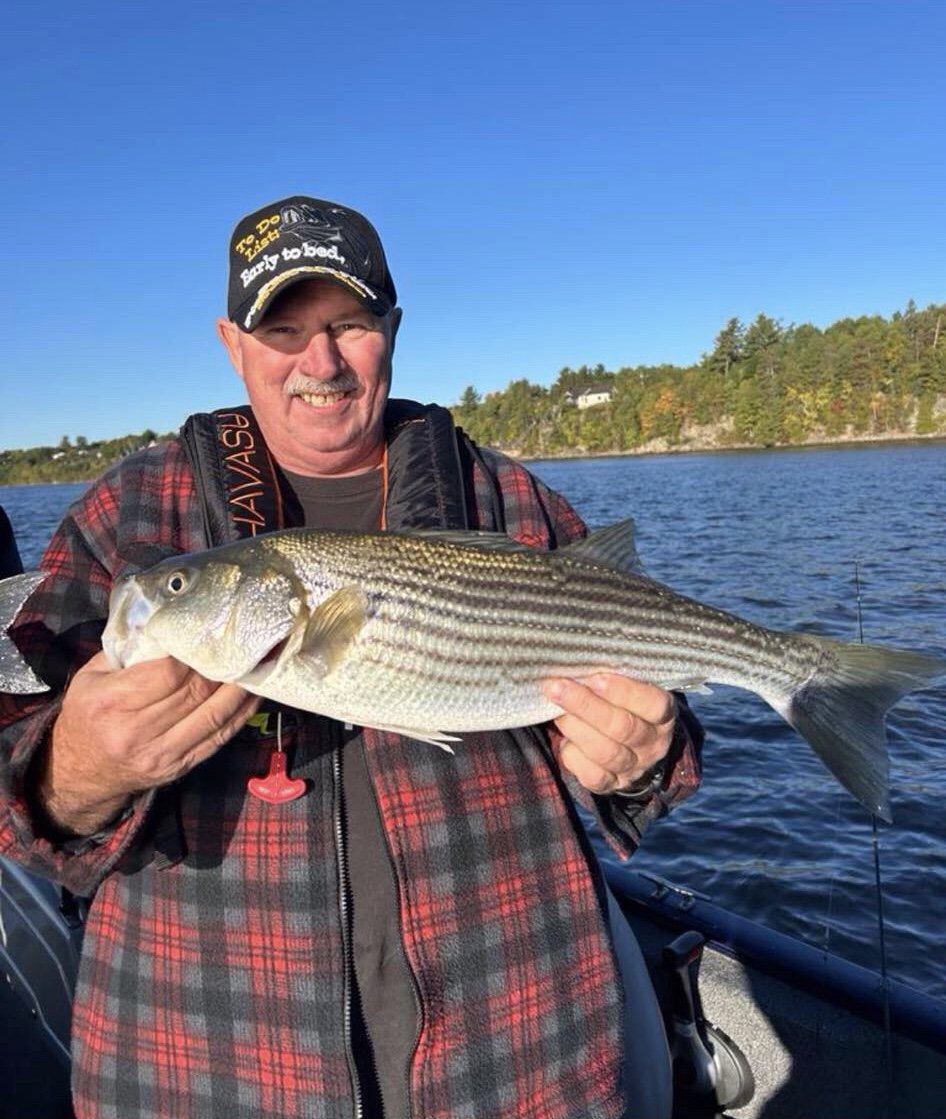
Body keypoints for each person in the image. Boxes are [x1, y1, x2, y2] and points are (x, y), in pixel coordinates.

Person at [0, 196, 702, 1119]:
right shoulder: (129, 512)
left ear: (392, 329)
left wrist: (645, 757)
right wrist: (78, 768)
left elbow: (660, 743)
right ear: (232, 343)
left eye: (350, 325)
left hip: (523, 1062)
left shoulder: (510, 498)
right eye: (284, 330)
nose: (321, 362)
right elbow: (12, 793)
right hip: (200, 1073)